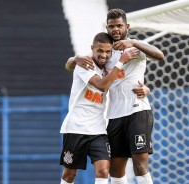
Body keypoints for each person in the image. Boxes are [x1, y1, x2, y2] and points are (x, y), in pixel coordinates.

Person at [65, 9, 164, 184]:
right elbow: (71, 66)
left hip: (137, 111)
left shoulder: (135, 48)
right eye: (112, 26)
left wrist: (134, 42)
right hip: (114, 116)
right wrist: (75, 58)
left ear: (127, 26)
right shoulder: (106, 53)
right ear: (107, 28)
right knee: (115, 170)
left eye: (119, 25)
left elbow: (159, 55)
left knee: (140, 164)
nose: (116, 29)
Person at [59, 32, 141, 184]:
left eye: (107, 51)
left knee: (103, 170)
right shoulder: (85, 63)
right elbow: (102, 86)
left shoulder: (109, 66)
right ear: (92, 48)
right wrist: (121, 62)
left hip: (98, 129)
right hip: (76, 128)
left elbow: (126, 80)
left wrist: (145, 89)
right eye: (100, 51)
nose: (103, 55)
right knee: (69, 175)